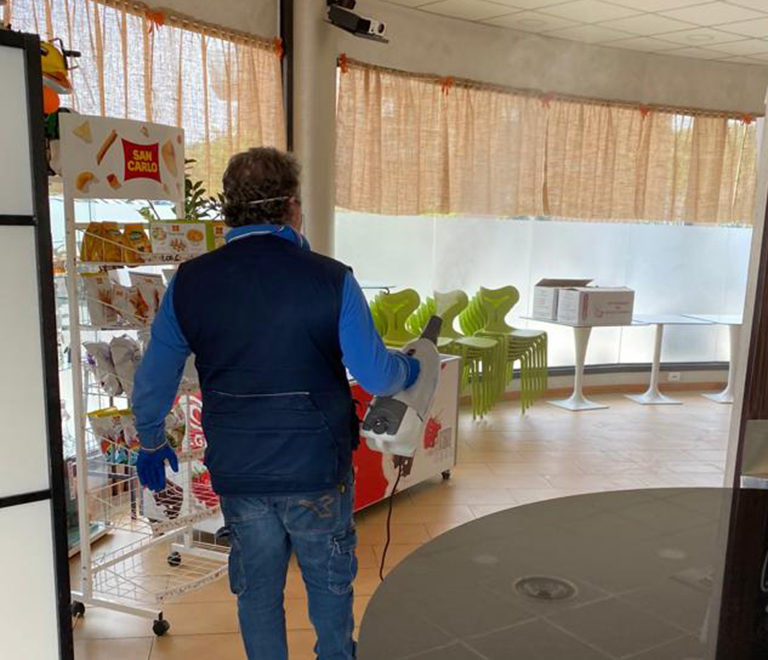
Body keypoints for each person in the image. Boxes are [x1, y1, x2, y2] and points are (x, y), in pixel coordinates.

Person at [131, 147, 420, 660]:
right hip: (316, 467)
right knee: (329, 583)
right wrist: (411, 369)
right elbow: (377, 374)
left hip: (240, 469)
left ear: (228, 211)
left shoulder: (188, 283)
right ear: (291, 206)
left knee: (258, 591)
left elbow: (153, 381)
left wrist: (151, 440)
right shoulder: (332, 279)